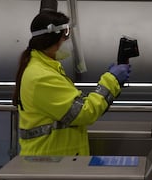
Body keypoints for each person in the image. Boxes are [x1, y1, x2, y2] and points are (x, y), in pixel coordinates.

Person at [13, 11, 131, 156]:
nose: (68, 43)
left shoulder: (45, 68)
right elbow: (83, 113)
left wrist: (113, 83)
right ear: (52, 39)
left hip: (54, 158)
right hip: (50, 163)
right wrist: (111, 80)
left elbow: (74, 108)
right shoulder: (41, 77)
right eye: (66, 37)